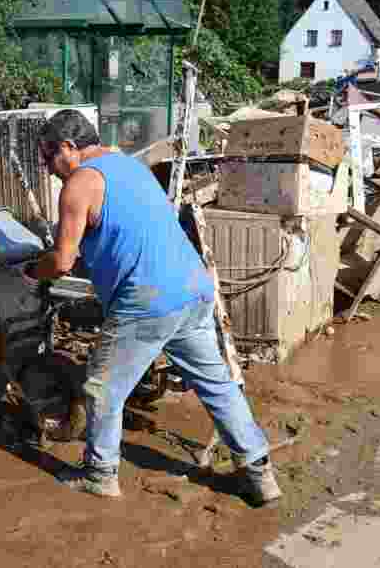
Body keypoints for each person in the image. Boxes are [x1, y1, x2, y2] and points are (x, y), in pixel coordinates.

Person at [21, 109, 281, 505]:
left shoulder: (78, 184)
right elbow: (129, 230)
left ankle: (100, 474)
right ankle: (259, 473)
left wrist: (28, 271)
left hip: (149, 299)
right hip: (194, 288)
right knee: (215, 385)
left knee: (102, 388)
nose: (48, 167)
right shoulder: (132, 167)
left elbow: (61, 262)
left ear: (69, 148)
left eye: (48, 156)